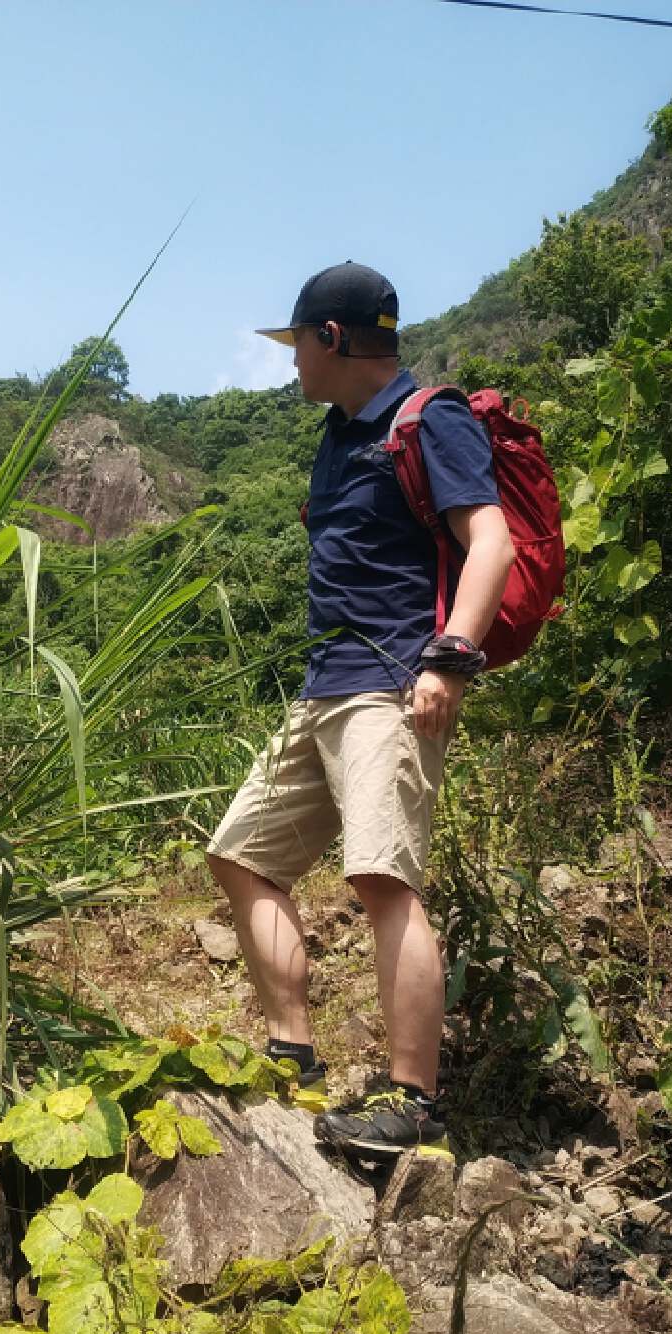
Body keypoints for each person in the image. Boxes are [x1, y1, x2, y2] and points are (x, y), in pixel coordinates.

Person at [205, 261, 515, 1157]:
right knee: (241, 856)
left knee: (382, 878)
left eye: (298, 343)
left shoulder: (431, 418)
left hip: (391, 686)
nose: (292, 361)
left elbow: (490, 541)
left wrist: (450, 657)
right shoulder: (339, 435)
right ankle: (293, 1056)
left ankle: (413, 1104)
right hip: (323, 687)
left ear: (331, 337)